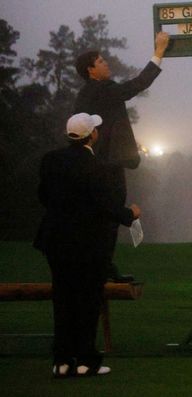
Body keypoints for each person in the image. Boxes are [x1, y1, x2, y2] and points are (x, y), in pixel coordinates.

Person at [33, 113, 141, 377]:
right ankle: (85, 361)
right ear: (92, 134)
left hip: (56, 241)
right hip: (89, 244)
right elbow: (106, 205)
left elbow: (43, 196)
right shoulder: (98, 167)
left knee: (63, 299)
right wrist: (131, 215)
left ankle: (61, 361)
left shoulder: (51, 161)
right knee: (88, 300)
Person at [73, 31, 169, 282]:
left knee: (103, 217)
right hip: (108, 163)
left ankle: (101, 266)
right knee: (110, 216)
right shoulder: (103, 89)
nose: (106, 63)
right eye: (101, 61)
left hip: (96, 162)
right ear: (91, 70)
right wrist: (159, 52)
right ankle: (103, 268)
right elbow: (137, 85)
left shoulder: (87, 93)